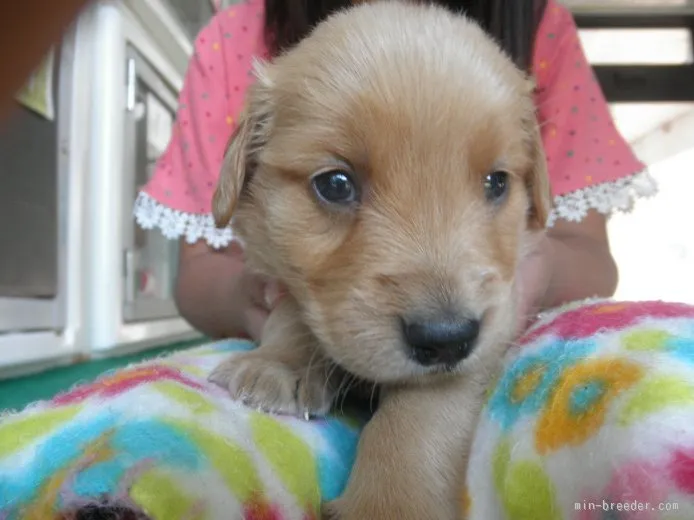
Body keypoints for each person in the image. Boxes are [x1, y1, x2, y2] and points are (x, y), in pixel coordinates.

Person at [134, 0, 656, 342]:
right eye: (336, 186)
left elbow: (589, 258)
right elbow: (201, 267)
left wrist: (531, 281)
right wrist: (262, 305)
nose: (438, 316)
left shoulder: (540, 26)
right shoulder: (237, 40)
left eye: (494, 184)